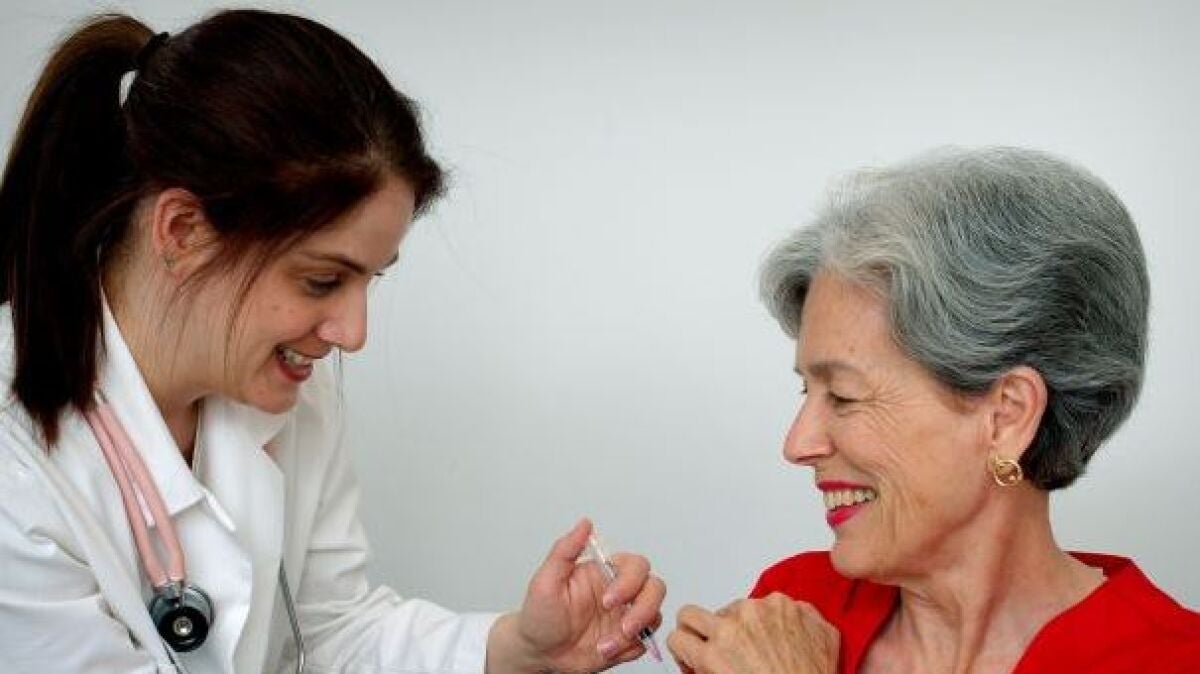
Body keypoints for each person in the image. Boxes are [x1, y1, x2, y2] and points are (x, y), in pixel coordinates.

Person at [0, 11, 664, 674]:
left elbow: (329, 632)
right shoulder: (14, 460)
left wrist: (518, 650)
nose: (353, 334)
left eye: (371, 280)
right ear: (183, 231)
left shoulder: (285, 387)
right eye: (322, 280)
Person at [666, 147, 1200, 673]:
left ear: (1007, 415)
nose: (797, 444)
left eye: (844, 396)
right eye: (807, 391)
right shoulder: (792, 611)